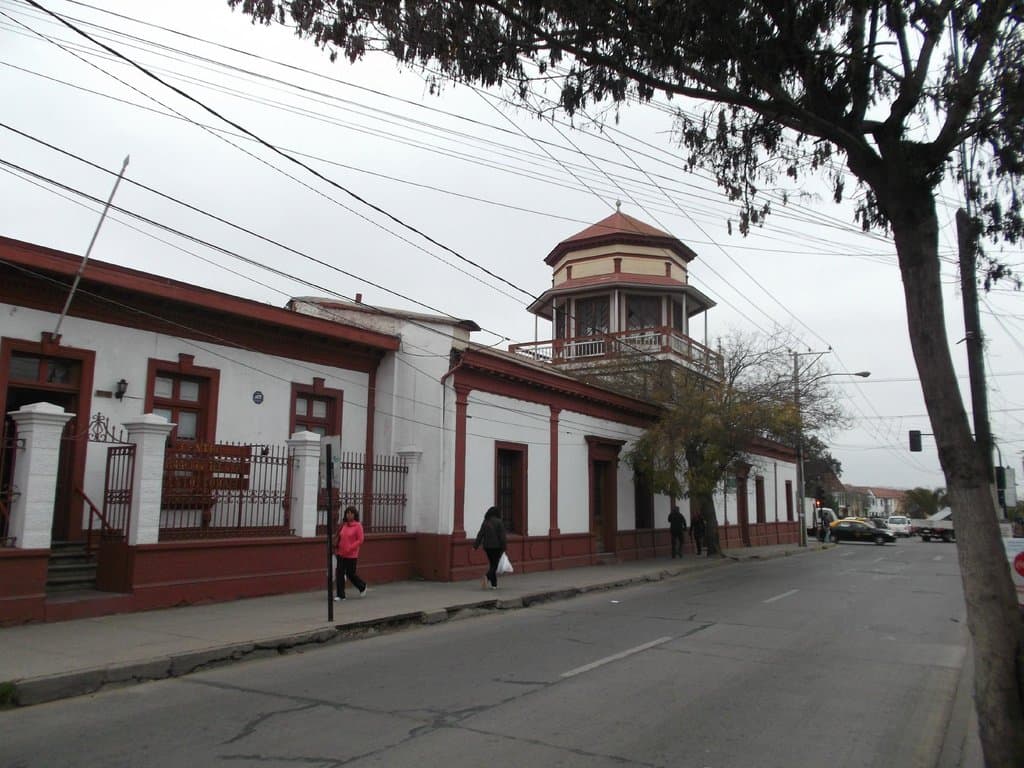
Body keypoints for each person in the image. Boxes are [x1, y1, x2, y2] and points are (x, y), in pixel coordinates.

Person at [335, 505, 367, 601]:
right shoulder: (344, 525)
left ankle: (362, 586)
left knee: (350, 574)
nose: (349, 515)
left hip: (351, 555)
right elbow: (339, 536)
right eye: (347, 513)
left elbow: (360, 540)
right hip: (341, 553)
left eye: (351, 513)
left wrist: (350, 547)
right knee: (339, 573)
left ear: (354, 514)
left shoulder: (358, 526)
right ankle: (341, 595)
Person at [473, 506, 507, 590]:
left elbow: (480, 534)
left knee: (492, 565)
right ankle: (487, 577)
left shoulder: (485, 522)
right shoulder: (499, 522)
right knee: (494, 565)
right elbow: (502, 536)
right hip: (497, 547)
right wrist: (504, 547)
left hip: (487, 547)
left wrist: (475, 546)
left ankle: (494, 585)